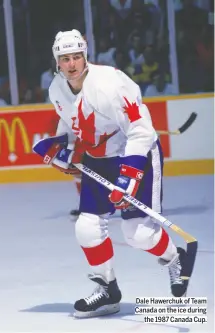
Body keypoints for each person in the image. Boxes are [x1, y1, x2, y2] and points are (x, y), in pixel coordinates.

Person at [42, 29, 189, 318]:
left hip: (136, 154)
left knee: (137, 234)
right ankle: (108, 291)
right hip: (99, 159)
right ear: (57, 62)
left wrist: (128, 178)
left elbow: (142, 131)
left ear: (86, 57)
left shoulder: (110, 84)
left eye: (76, 57)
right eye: (64, 59)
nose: (71, 64)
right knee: (86, 227)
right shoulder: (56, 89)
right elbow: (70, 124)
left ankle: (175, 259)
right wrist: (62, 149)